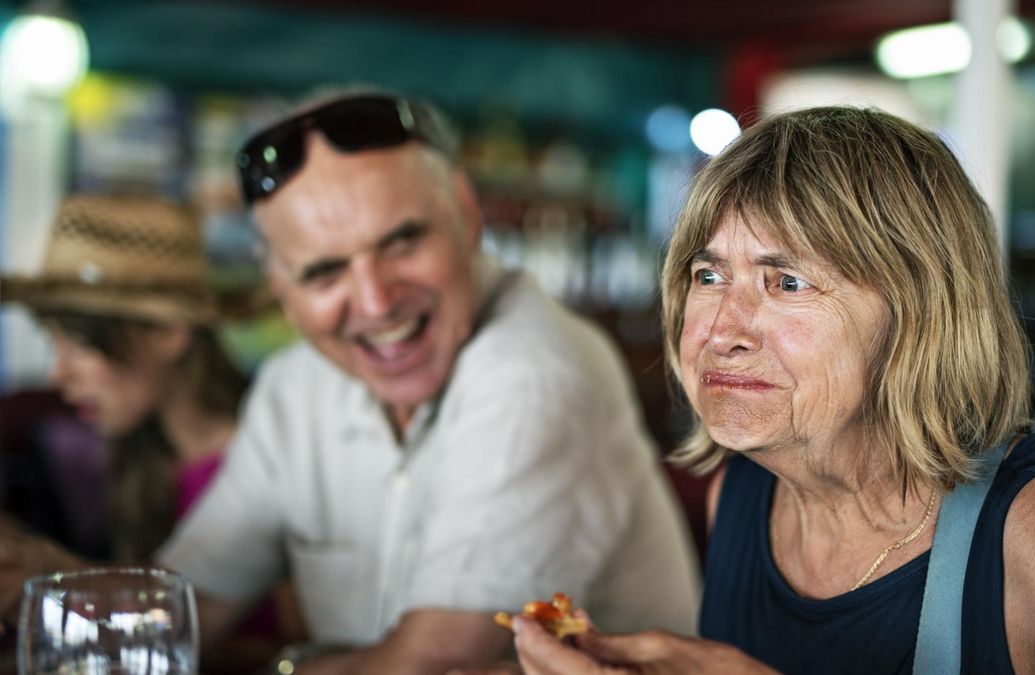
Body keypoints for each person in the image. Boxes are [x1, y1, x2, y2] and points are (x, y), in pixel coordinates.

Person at [505, 107, 1035, 674]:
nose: (720, 330)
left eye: (787, 282)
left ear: (918, 313)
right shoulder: (737, 493)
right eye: (709, 275)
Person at [155, 91, 699, 673]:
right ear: (279, 285)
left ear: (467, 216)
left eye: (401, 242)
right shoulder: (294, 390)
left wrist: (284, 667)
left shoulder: (537, 371)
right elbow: (176, 616)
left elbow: (431, 665)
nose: (375, 301)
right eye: (324, 271)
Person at [0, 195, 300, 668]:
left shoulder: (275, 462)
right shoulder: (138, 458)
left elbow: (302, 648)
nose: (58, 374)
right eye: (51, 343)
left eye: (79, 344)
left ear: (169, 333)